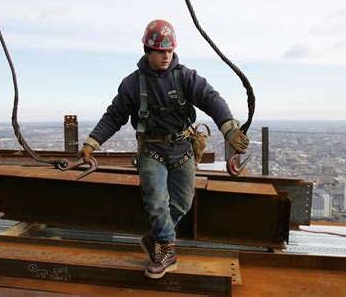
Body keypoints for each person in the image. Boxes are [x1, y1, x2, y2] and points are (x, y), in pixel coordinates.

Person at [79, 19, 249, 279]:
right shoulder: (132, 84)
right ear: (148, 50)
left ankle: (154, 238)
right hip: (152, 149)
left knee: (182, 202)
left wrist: (229, 128)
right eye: (161, 51)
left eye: (170, 51)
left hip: (183, 147)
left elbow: (211, 99)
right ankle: (166, 251)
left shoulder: (185, 77)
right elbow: (114, 116)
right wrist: (92, 142)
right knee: (157, 202)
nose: (167, 56)